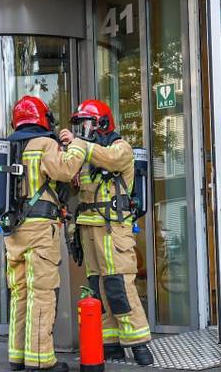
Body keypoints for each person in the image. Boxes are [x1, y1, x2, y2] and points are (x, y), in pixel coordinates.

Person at [59, 100, 154, 366]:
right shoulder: (87, 154)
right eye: (79, 124)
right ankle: (110, 343)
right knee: (97, 287)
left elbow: (108, 159)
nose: (82, 128)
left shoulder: (119, 148)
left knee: (119, 285)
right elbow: (74, 188)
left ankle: (138, 343)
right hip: (89, 227)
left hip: (114, 228)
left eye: (86, 123)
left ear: (101, 123)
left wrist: (79, 145)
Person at [3, 96, 86, 372]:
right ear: (42, 118)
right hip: (40, 229)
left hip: (13, 230)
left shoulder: (10, 146)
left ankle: (17, 356)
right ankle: (40, 361)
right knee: (42, 292)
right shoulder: (45, 144)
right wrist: (75, 146)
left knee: (20, 293)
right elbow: (65, 170)